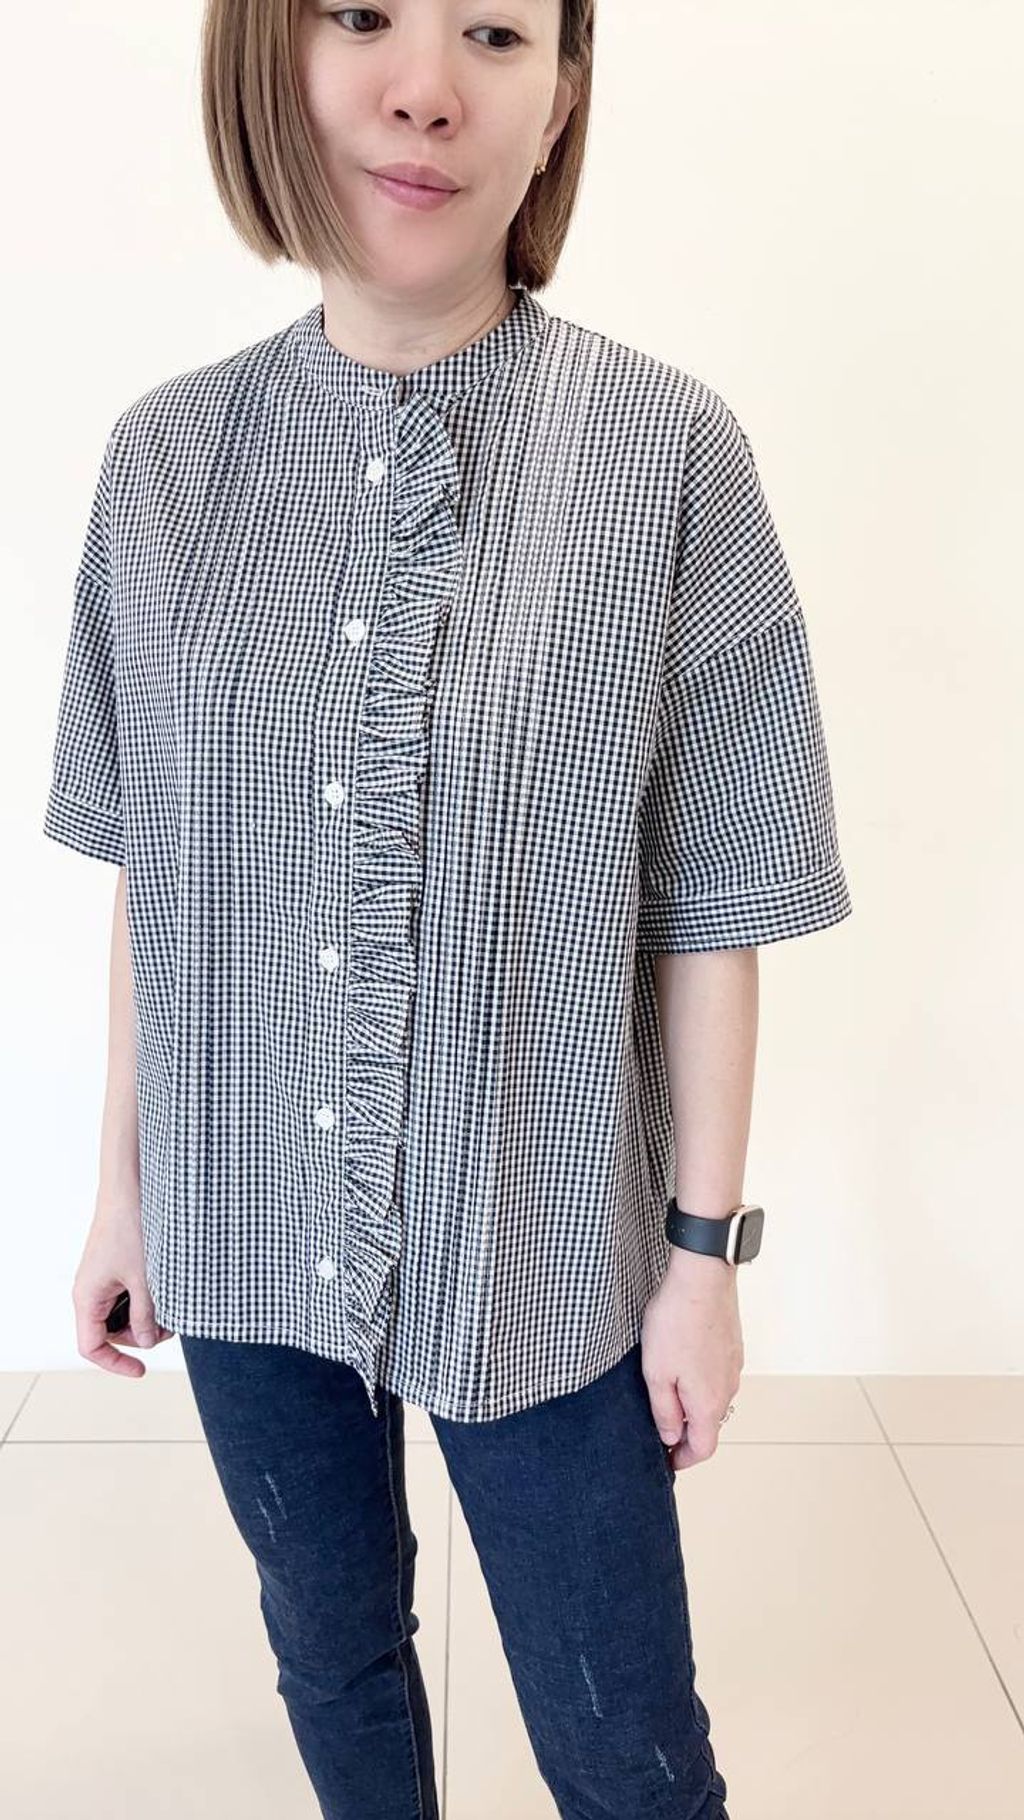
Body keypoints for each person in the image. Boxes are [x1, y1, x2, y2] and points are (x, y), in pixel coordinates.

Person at [42, 2, 853, 1816]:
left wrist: (702, 1268)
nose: (423, 88)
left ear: (560, 98)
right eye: (362, 16)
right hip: (239, 1226)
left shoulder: (668, 457)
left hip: (543, 1254)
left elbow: (713, 898)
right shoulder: (161, 467)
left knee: (627, 1746)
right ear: (274, 59)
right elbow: (158, 876)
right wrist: (123, 1189)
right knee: (331, 1652)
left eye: (494, 32)